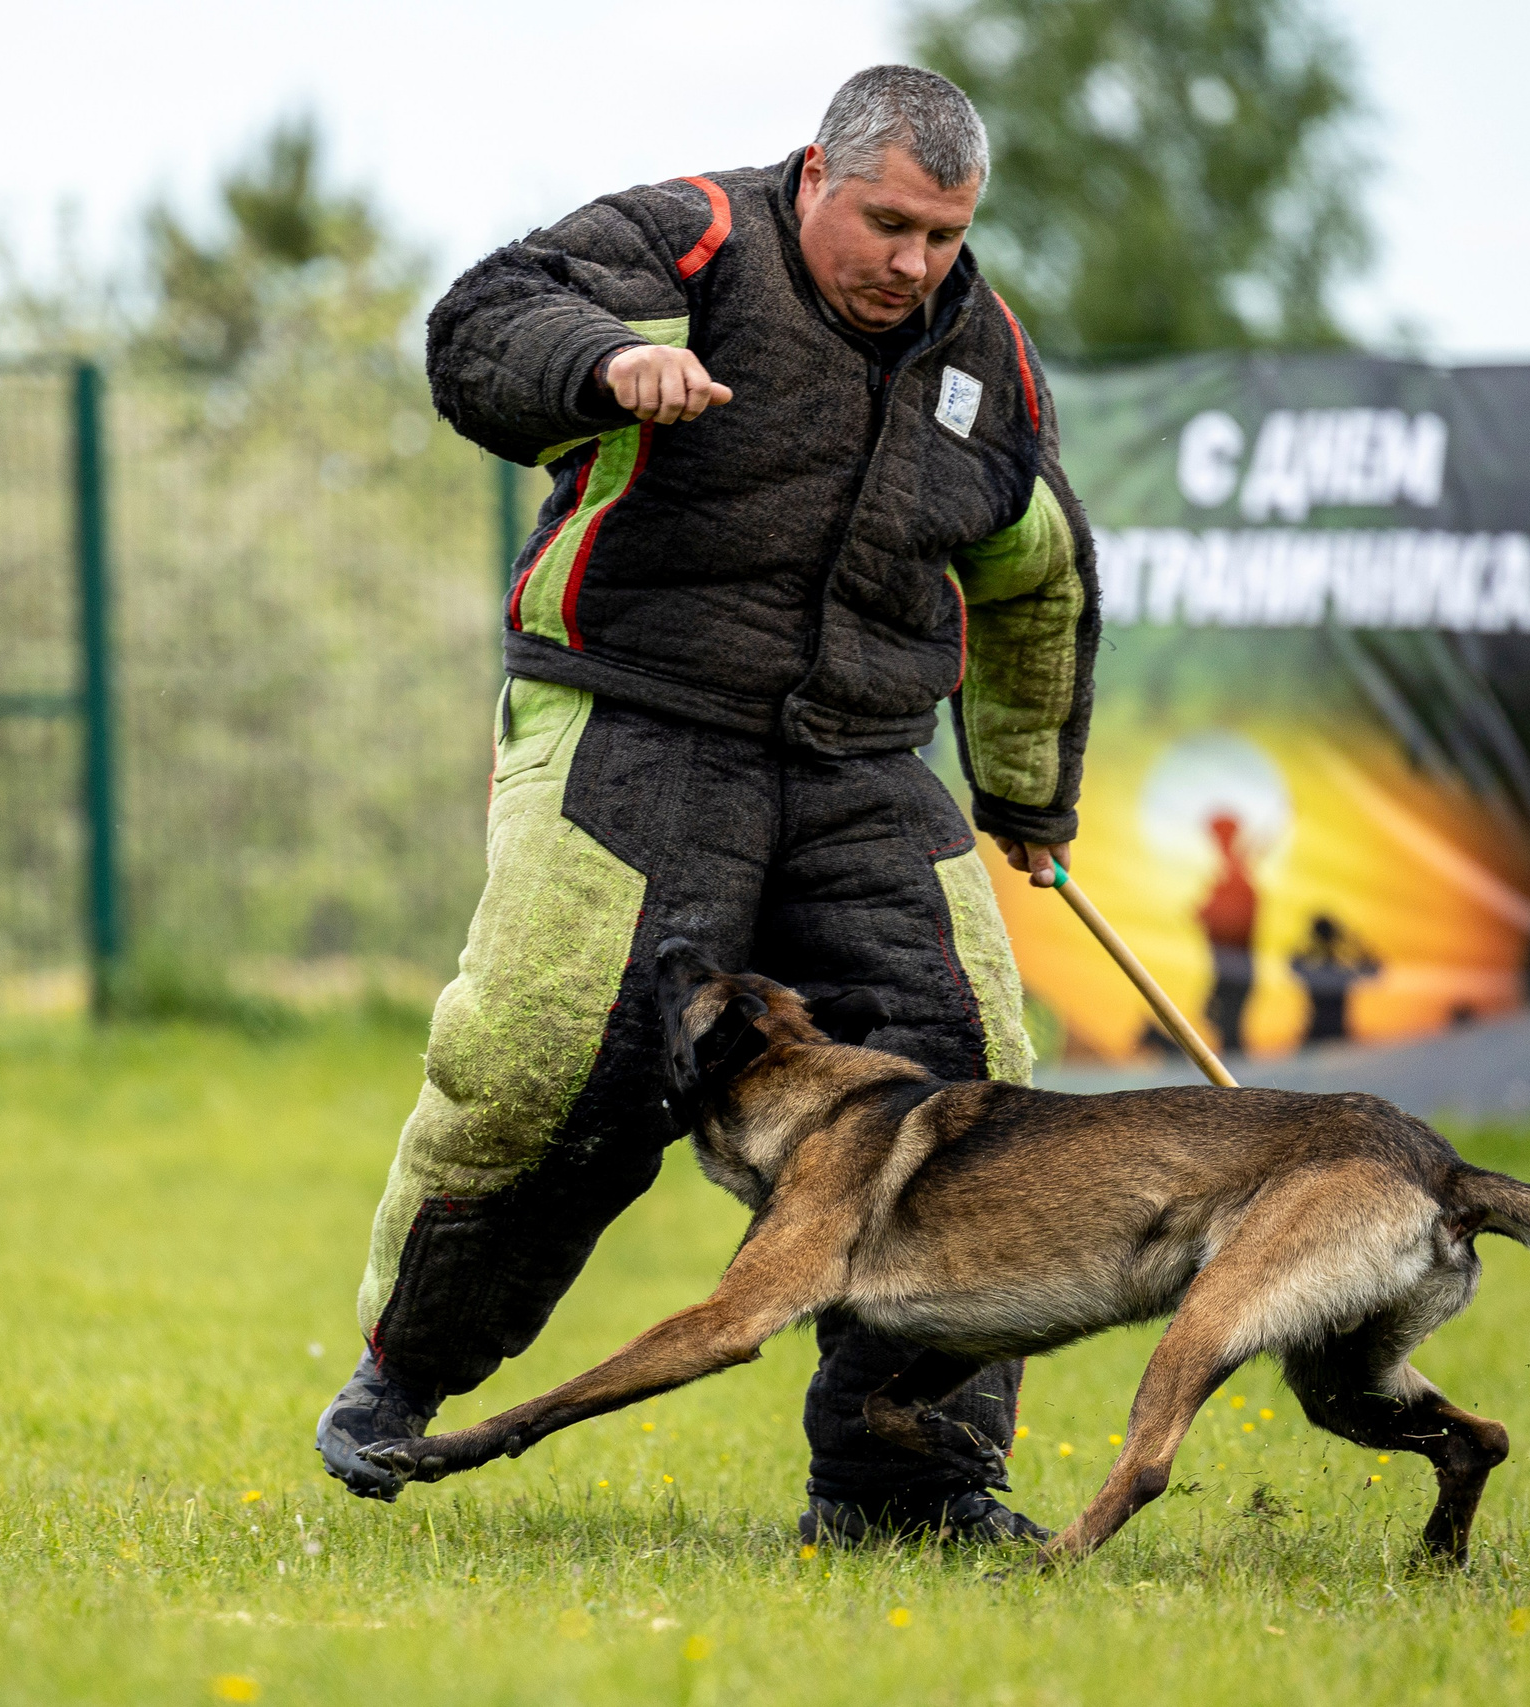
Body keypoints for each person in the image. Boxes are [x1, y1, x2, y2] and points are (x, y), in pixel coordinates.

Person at [313, 65, 1099, 1547]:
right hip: (637, 713)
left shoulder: (985, 357)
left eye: (942, 235)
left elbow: (1035, 574)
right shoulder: (689, 242)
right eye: (886, 224)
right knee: (562, 1059)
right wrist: (606, 363)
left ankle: (904, 1487)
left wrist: (1025, 790)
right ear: (815, 175)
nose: (913, 263)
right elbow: (483, 325)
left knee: (968, 1089)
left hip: (866, 757)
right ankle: (400, 1374)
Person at [1196, 812, 1257, 1052]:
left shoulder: (1236, 874)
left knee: (1229, 1031)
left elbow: (1235, 920)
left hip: (1236, 969)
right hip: (1225, 968)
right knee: (1220, 1024)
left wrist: (1208, 912)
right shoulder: (1228, 870)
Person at [1289, 913, 1380, 1048]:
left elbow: (1294, 965)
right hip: (1335, 1034)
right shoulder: (1342, 974)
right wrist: (1354, 943)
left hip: (1319, 1034)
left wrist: (1307, 943)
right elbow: (1373, 971)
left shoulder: (1317, 974)